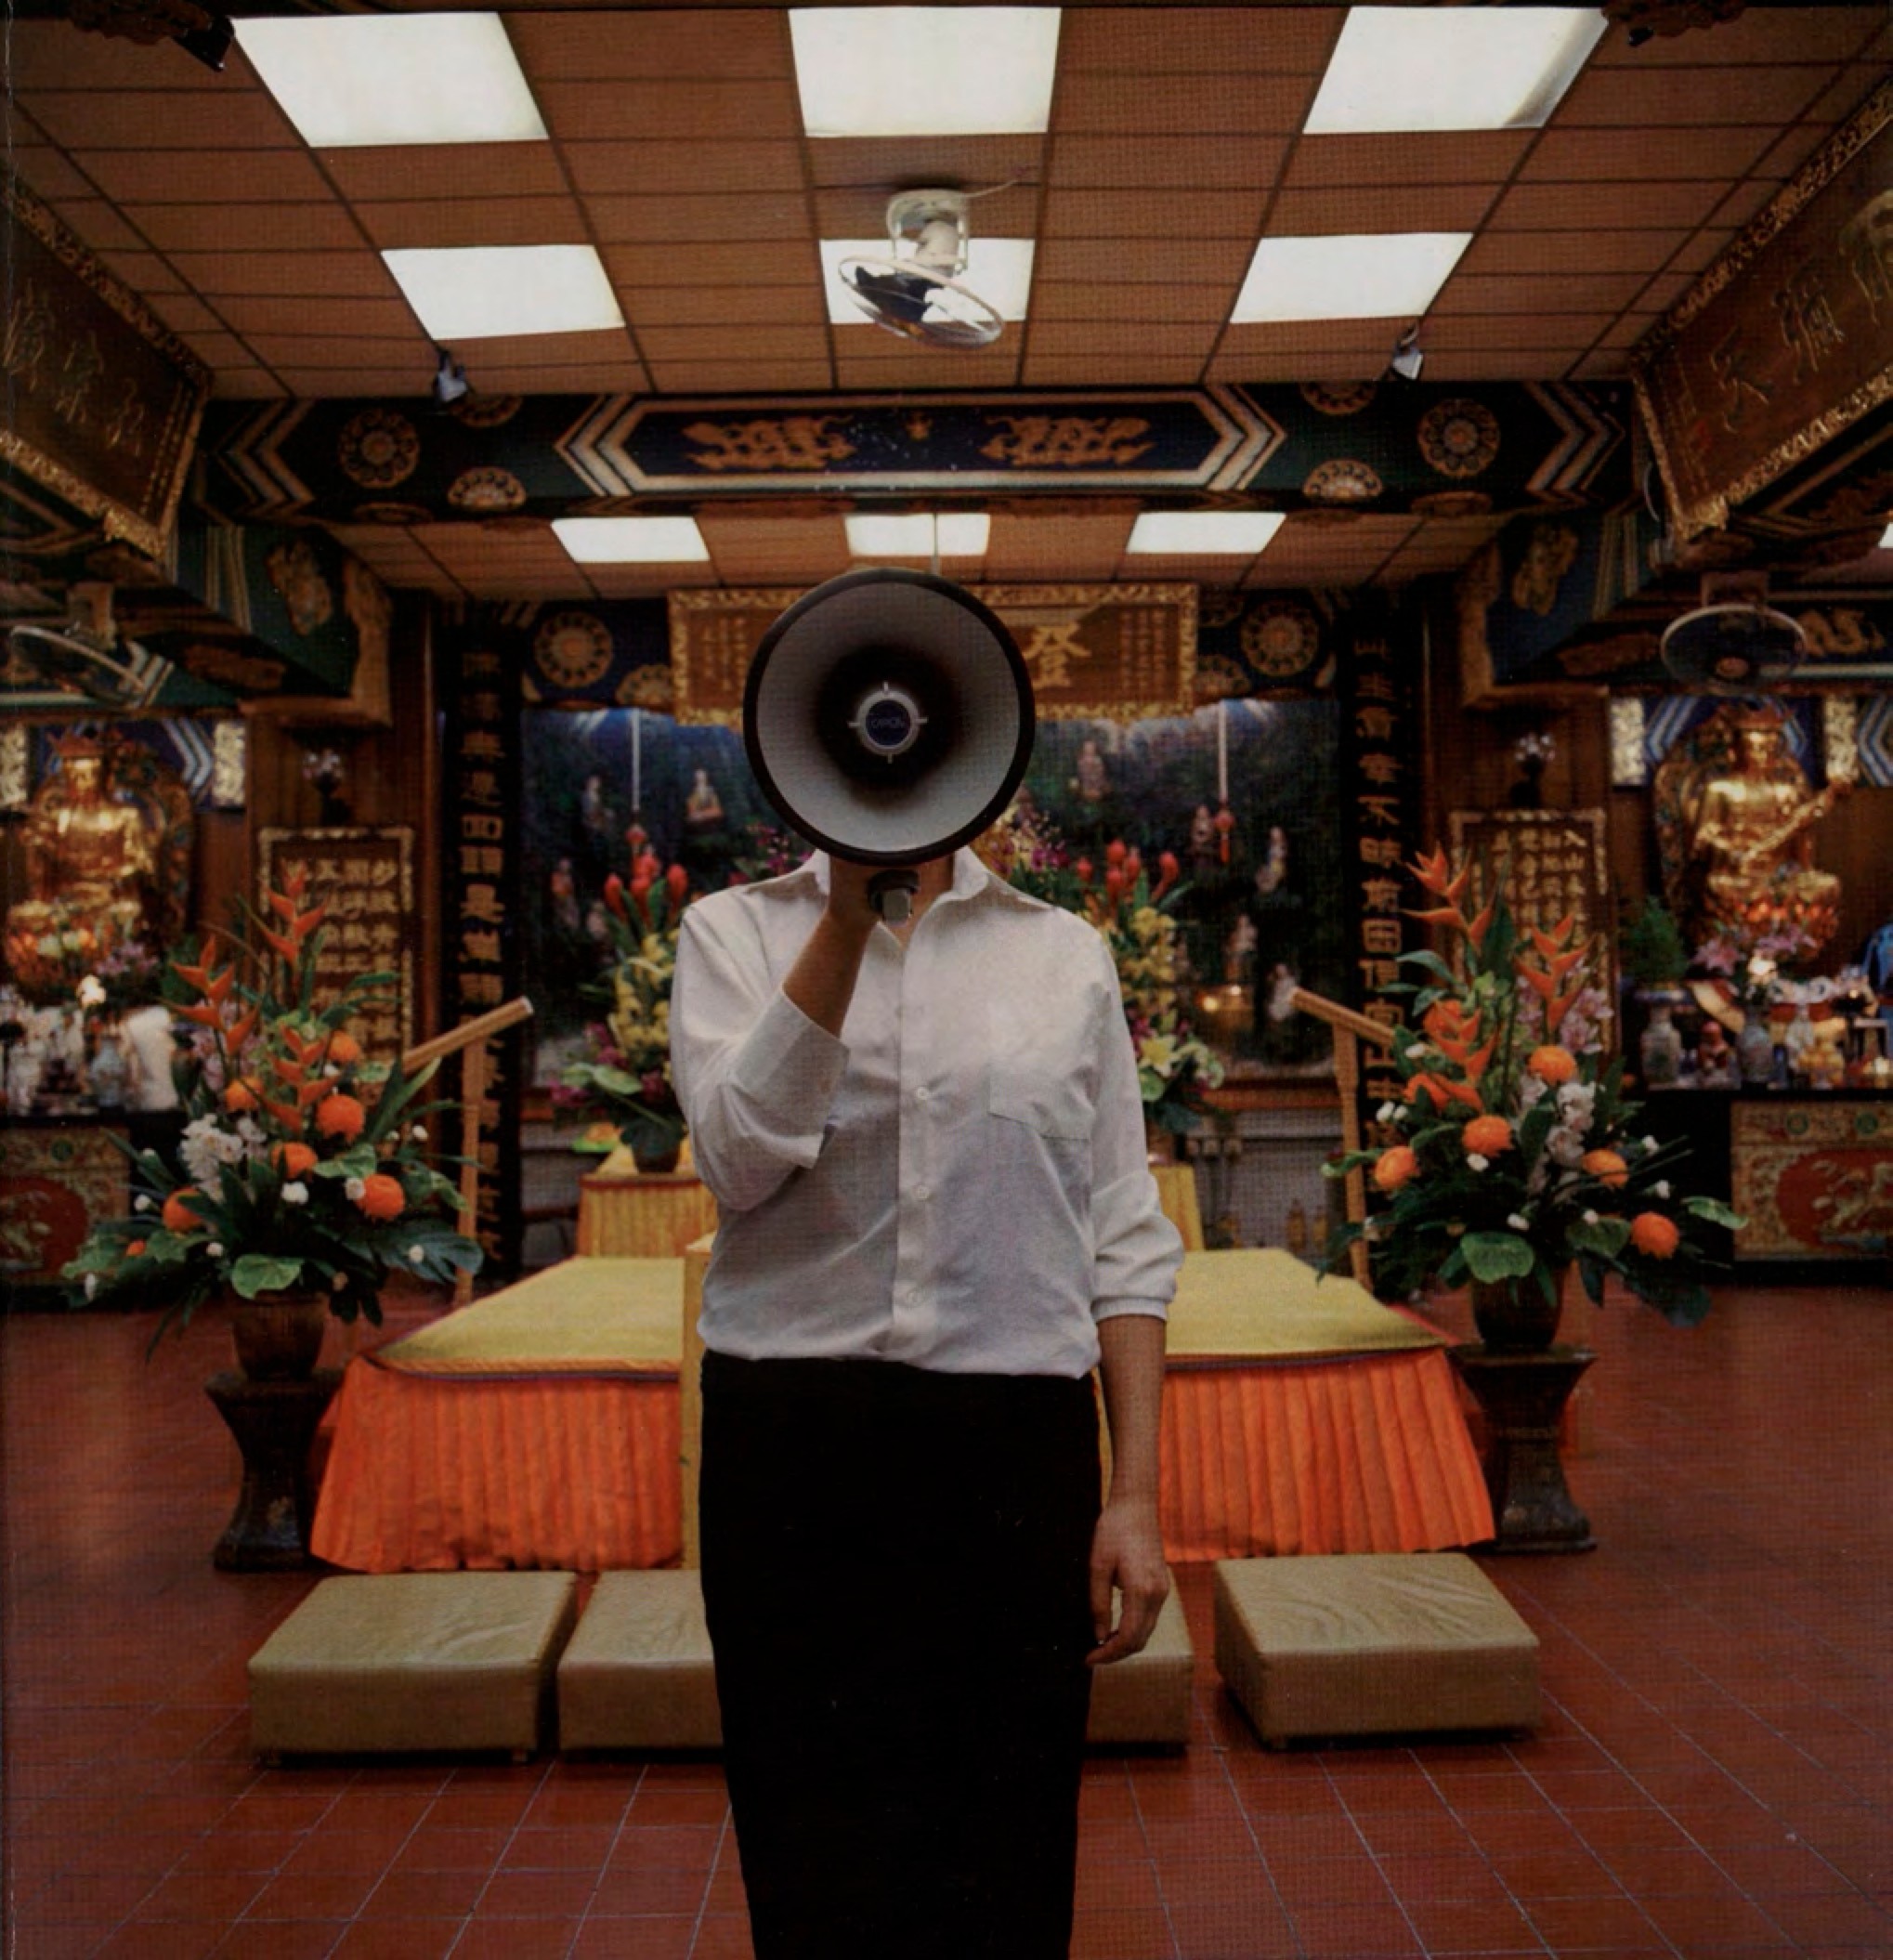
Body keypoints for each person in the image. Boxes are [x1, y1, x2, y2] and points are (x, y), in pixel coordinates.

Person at [672, 846, 1181, 1960]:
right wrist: (846, 921)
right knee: (809, 1830)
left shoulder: (1064, 953)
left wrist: (1134, 1495)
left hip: (1012, 1450)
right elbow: (736, 1156)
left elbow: (1122, 1235)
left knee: (1006, 1830)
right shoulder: (734, 933)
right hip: (793, 1439)